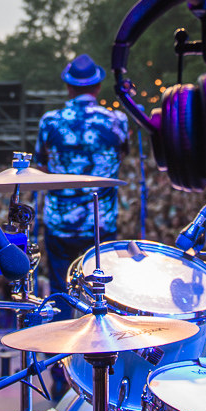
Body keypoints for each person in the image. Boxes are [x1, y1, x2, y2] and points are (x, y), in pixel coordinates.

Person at [34, 54, 129, 304]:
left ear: (68, 87)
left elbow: (41, 165)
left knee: (61, 289)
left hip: (59, 224)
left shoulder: (50, 121)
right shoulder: (116, 120)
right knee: (102, 291)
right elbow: (121, 157)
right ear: (97, 87)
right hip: (101, 223)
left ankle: (61, 339)